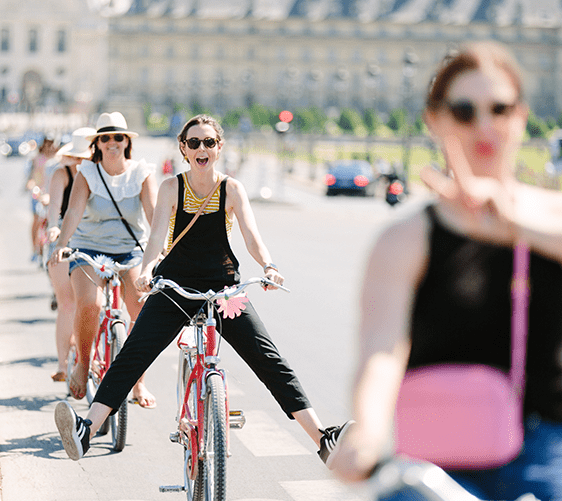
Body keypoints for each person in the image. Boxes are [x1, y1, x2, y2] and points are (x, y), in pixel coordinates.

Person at [331, 42, 562, 501]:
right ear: (436, 120)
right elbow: (382, 351)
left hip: (547, 447)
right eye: (465, 111)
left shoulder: (559, 217)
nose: (485, 126)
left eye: (501, 109)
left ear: (521, 117)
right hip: (438, 453)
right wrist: (367, 429)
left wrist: (513, 220)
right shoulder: (406, 239)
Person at [53, 113, 353, 463]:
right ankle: (86, 429)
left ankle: (322, 438)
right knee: (134, 354)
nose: (201, 148)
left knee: (268, 359)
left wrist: (268, 266)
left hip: (223, 290)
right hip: (174, 288)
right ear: (183, 148)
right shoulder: (170, 187)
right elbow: (155, 240)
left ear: (219, 148)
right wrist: (147, 269)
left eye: (208, 142)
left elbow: (252, 238)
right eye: (194, 142)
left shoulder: (232, 189)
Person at [49, 112, 157, 407]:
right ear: (97, 144)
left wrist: (164, 250)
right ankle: (83, 364)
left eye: (118, 137)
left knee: (141, 309)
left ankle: (138, 383)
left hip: (130, 249)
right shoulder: (87, 173)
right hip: (88, 248)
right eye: (105, 138)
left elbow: (153, 215)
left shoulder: (142, 173)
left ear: (126, 142)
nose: (112, 143)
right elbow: (72, 213)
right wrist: (61, 245)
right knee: (91, 304)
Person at [45, 128, 95, 381]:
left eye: (88, 159)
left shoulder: (103, 175)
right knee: (67, 303)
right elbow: (54, 209)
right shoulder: (61, 174)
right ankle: (63, 366)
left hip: (95, 242)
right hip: (64, 241)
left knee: (98, 304)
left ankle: (96, 355)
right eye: (79, 159)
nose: (83, 164)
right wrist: (54, 228)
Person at [26, 134, 58, 264]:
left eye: (51, 143)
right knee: (36, 221)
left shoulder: (58, 158)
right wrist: (33, 188)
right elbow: (31, 177)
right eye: (47, 143)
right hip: (39, 193)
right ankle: (35, 249)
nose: (49, 146)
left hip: (52, 194)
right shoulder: (36, 159)